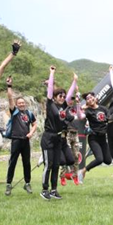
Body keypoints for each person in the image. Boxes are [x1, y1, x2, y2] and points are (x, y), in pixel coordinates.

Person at [40, 66, 74, 200]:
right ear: (54, 97)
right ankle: (44, 189)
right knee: (48, 165)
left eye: (64, 96)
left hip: (58, 138)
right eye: (60, 96)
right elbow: (50, 91)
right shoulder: (50, 104)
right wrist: (52, 73)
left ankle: (54, 190)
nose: (63, 98)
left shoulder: (63, 107)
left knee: (55, 165)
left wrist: (74, 81)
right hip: (48, 137)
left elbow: (70, 95)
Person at [4, 76, 37, 196]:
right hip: (16, 140)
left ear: (25, 104)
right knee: (12, 162)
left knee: (26, 163)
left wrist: (31, 133)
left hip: (25, 141)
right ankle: (8, 185)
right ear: (17, 105)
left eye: (23, 103)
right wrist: (9, 86)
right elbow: (10, 98)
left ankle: (27, 183)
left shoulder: (29, 113)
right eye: (19, 103)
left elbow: (35, 124)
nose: (21, 104)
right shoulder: (15, 112)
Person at [80, 92, 112, 181]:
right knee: (99, 159)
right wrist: (82, 108)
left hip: (103, 138)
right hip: (93, 138)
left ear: (95, 98)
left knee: (108, 161)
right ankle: (83, 170)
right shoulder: (88, 111)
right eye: (87, 99)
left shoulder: (103, 109)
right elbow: (80, 116)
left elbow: (109, 118)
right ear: (86, 102)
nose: (90, 100)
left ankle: (93, 152)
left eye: (91, 97)